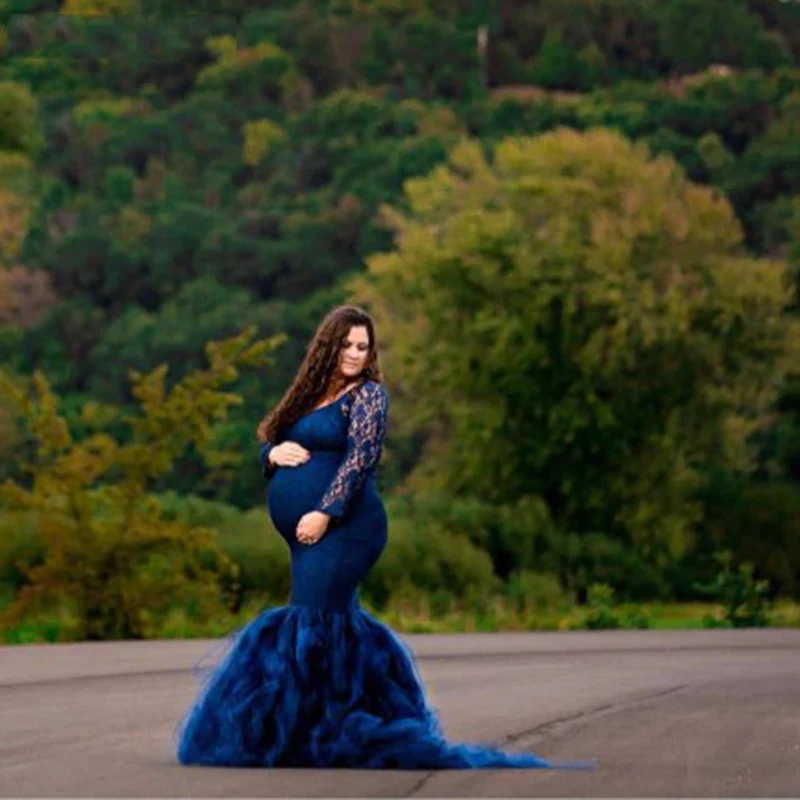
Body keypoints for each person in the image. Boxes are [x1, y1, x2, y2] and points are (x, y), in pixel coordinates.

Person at [174, 305, 590, 769]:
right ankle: (317, 729)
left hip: (347, 527)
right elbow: (270, 437)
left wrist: (323, 513)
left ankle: (319, 732)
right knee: (327, 619)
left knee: (312, 618)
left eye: (363, 346)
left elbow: (361, 460)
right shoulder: (309, 396)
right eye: (347, 345)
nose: (355, 354)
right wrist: (271, 455)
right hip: (304, 533)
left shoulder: (369, 395)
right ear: (327, 347)